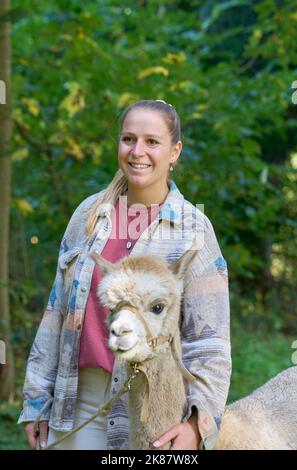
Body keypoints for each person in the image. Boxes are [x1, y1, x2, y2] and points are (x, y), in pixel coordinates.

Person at [18, 99, 231, 450]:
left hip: (152, 411)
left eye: (152, 141)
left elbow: (210, 342)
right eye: (128, 139)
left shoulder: (194, 230)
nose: (138, 152)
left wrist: (197, 423)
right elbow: (56, 317)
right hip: (76, 402)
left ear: (175, 151)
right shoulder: (87, 217)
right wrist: (37, 400)